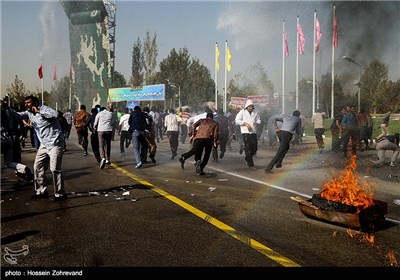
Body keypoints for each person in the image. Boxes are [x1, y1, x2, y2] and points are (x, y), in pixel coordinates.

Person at [8, 95, 67, 201]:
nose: (26, 105)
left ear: (35, 103)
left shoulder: (44, 109)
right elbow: (17, 116)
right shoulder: (29, 113)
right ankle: (41, 191)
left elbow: (55, 114)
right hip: (44, 145)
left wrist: (39, 111)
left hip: (55, 143)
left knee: (54, 169)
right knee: (37, 167)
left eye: (28, 103)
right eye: (25, 103)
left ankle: (60, 193)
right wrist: (8, 108)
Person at [1, 100, 33, 182]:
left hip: (6, 138)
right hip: (8, 138)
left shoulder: (8, 115)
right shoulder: (5, 115)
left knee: (14, 157)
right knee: (9, 161)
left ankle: (21, 172)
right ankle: (23, 168)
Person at [235, 99, 261, 168]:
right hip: (245, 131)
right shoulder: (242, 112)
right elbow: (237, 120)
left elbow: (259, 120)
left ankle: (247, 157)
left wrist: (257, 123)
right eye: (249, 106)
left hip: (253, 131)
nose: (250, 108)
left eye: (251, 106)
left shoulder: (255, 112)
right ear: (246, 107)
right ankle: (250, 163)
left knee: (255, 147)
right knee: (248, 147)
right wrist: (245, 123)